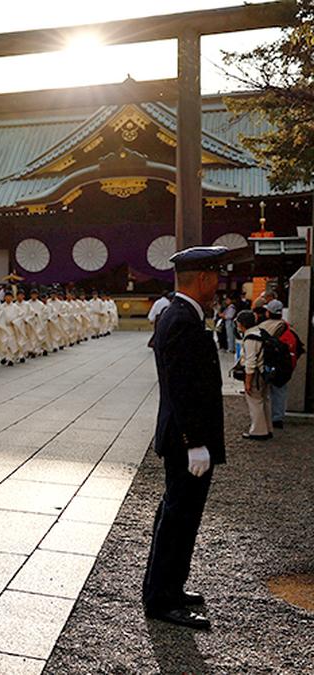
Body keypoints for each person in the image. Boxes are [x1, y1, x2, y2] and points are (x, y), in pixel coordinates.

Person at [144, 246, 232, 631]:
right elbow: (182, 388)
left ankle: (170, 587)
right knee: (178, 518)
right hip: (186, 442)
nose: (218, 283)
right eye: (215, 276)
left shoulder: (179, 314)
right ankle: (161, 599)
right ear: (203, 279)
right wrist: (194, 440)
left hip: (186, 438)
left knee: (180, 516)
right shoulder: (181, 319)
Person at [261, 299, 299, 429]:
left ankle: (265, 417)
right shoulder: (288, 327)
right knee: (280, 391)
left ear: (268, 312)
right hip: (285, 365)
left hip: (269, 364)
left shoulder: (265, 326)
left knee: (265, 391)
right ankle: (278, 417)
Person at [237, 311, 274, 440]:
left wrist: (247, 381)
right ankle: (268, 427)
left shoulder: (250, 338)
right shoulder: (260, 332)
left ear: (242, 324)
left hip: (256, 374)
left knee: (255, 401)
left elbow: (250, 362)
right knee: (265, 400)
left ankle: (258, 431)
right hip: (265, 372)